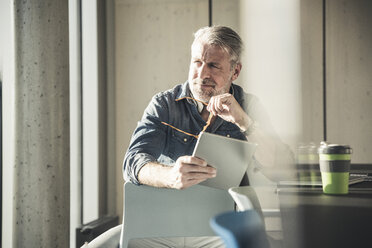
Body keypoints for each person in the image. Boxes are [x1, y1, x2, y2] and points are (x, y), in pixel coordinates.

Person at [123, 26, 293, 247]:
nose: (202, 74)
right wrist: (171, 175)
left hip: (223, 227)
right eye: (197, 62)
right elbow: (132, 163)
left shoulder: (249, 106)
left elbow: (281, 168)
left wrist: (245, 122)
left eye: (213, 65)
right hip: (164, 222)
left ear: (235, 71)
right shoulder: (164, 105)